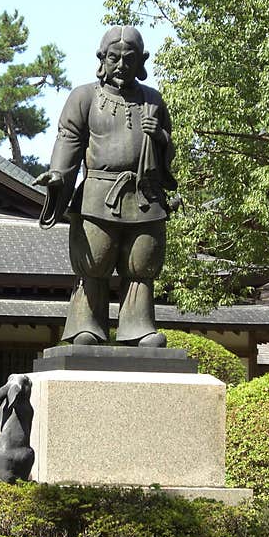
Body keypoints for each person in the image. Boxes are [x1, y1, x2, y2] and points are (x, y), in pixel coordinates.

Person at [36, 25, 178, 347]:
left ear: (142, 61)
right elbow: (69, 139)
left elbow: (168, 151)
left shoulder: (152, 99)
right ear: (102, 58)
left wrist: (159, 137)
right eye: (114, 58)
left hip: (144, 195)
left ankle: (138, 327)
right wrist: (58, 175)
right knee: (94, 263)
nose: (121, 66)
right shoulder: (84, 97)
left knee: (141, 264)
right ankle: (86, 325)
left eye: (129, 60)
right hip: (99, 194)